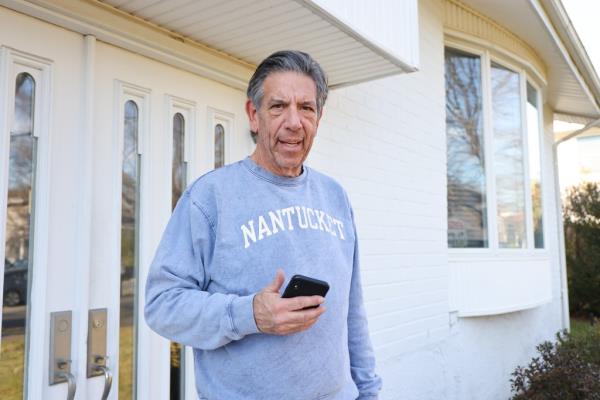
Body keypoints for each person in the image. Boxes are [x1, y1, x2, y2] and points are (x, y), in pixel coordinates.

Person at [145, 50, 382, 400]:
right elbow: (162, 305)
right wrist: (250, 313)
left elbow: (352, 311)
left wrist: (369, 391)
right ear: (253, 115)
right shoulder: (210, 197)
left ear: (319, 117)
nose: (293, 122)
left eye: (306, 108)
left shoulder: (335, 197)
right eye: (278, 107)